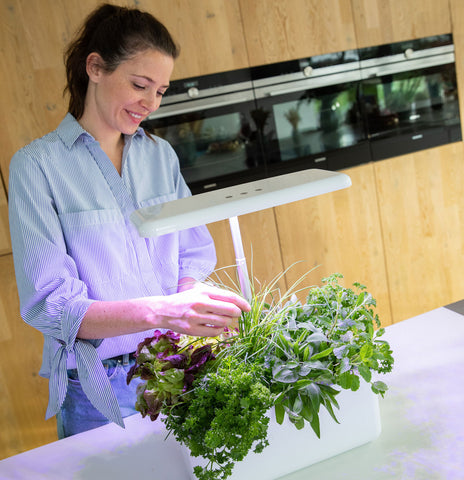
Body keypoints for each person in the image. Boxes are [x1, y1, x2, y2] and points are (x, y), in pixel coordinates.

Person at [8, 3, 250, 439]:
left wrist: (191, 299)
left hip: (175, 363)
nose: (150, 103)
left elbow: (191, 252)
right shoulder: (37, 166)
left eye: (160, 91)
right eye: (140, 85)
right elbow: (53, 307)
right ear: (95, 67)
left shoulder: (160, 155)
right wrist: (164, 310)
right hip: (97, 387)